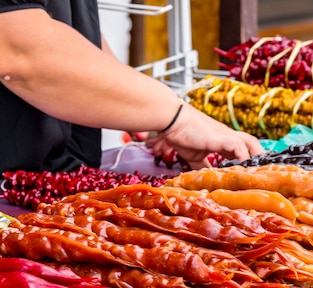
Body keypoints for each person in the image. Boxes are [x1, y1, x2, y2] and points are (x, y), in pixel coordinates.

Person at [0, 0, 264, 173]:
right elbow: (20, 50)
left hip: (49, 179)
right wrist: (177, 117)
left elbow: (61, 18)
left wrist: (136, 103)